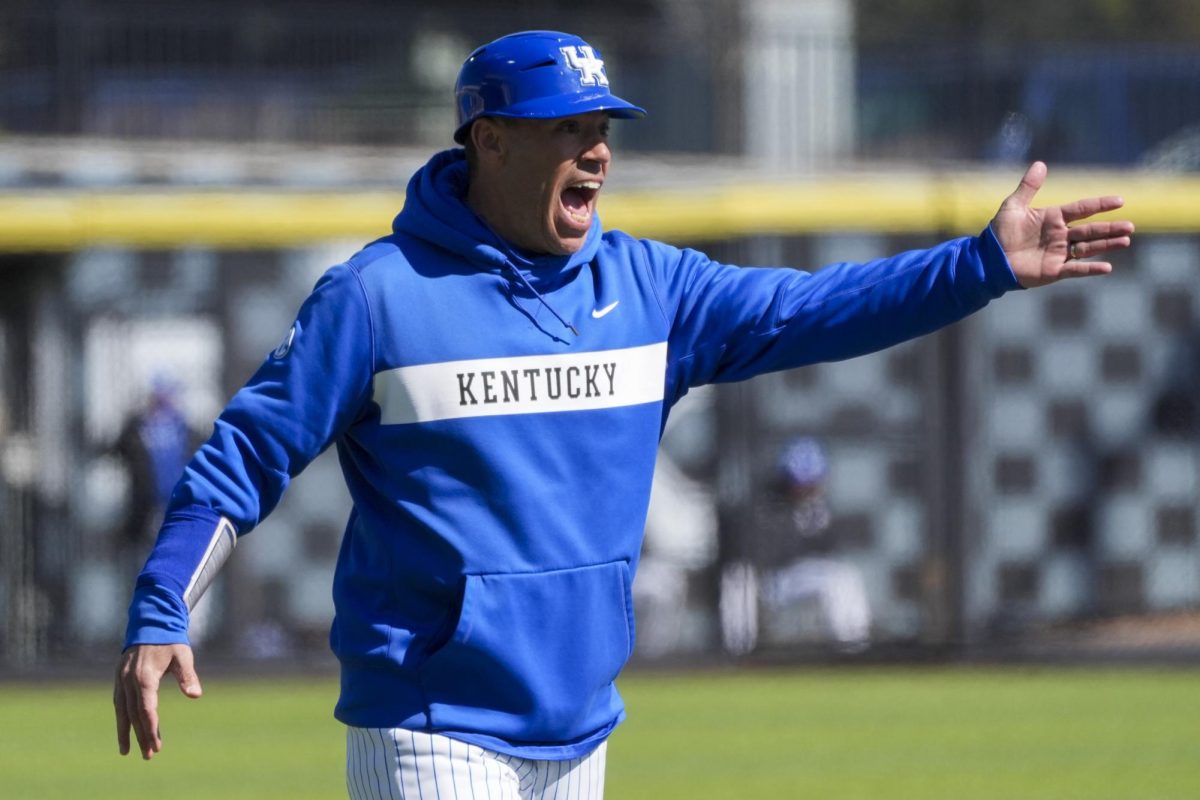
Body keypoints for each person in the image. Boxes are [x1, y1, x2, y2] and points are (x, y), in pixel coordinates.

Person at [113, 29, 1134, 799]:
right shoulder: (380, 296)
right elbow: (245, 453)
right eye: (569, 130)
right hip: (433, 722)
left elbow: (814, 308)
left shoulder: (651, 288)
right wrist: (163, 603)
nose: (596, 154)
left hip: (582, 726)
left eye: (601, 131)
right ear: (490, 141)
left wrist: (981, 264)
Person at [720, 436, 871, 656]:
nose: (806, 489)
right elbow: (761, 552)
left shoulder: (819, 508)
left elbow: (830, 554)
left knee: (842, 577)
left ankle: (854, 649)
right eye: (800, 483)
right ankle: (739, 656)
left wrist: (817, 524)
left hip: (797, 579)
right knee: (736, 578)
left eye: (811, 483)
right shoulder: (767, 505)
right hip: (767, 579)